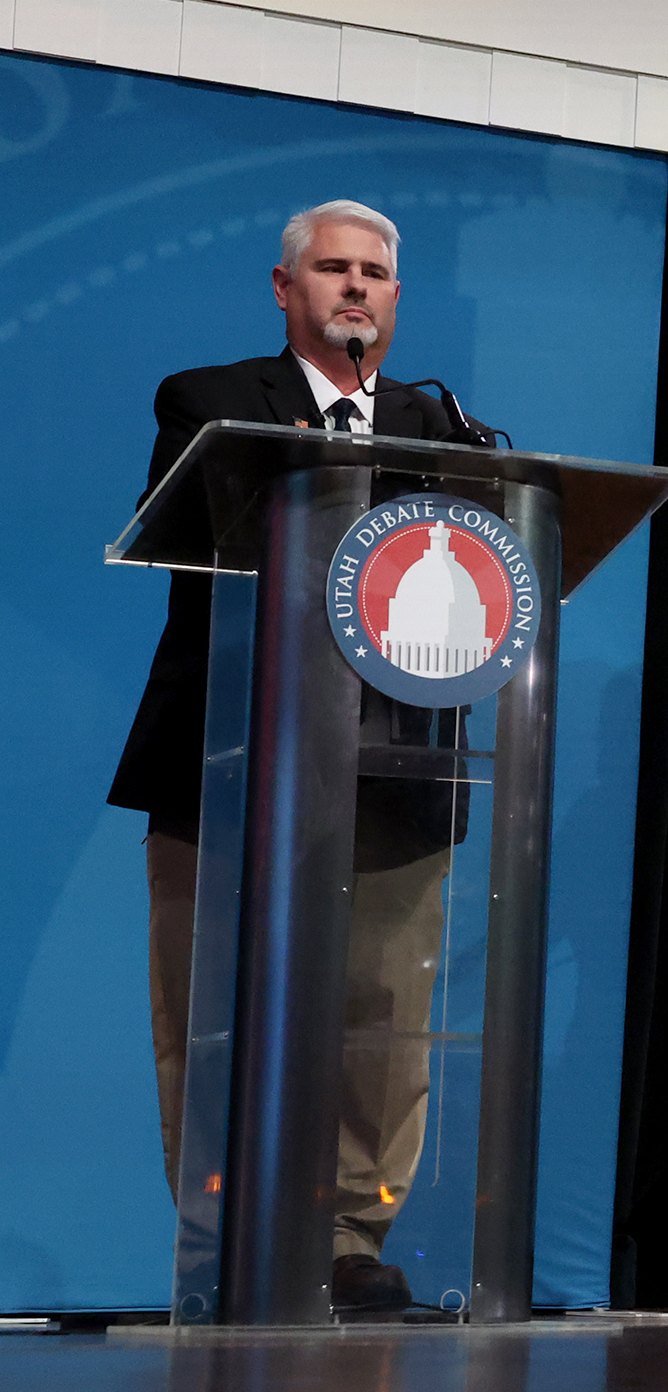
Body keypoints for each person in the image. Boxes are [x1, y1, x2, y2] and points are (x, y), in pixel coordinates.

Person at [108, 199, 469, 1317]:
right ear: (285, 289)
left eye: (375, 275)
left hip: (394, 763)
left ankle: (352, 1241)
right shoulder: (209, 401)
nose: (355, 289)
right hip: (226, 755)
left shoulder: (444, 426)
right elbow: (201, 528)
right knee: (205, 1006)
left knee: (380, 1013)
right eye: (332, 270)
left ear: (397, 300)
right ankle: (227, 1234)